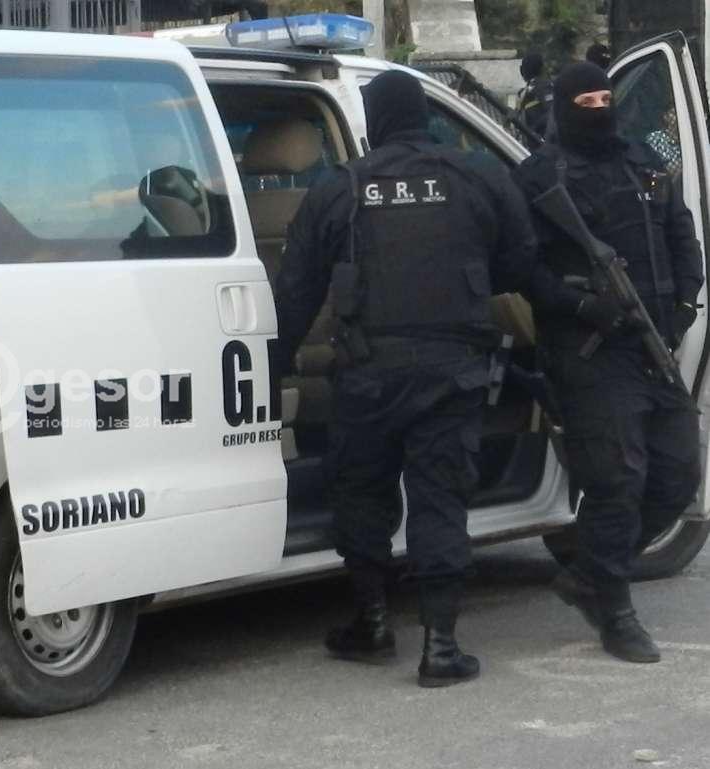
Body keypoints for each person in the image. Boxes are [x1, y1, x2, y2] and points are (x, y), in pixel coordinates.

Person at [271, 70, 540, 687]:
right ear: (424, 115)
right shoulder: (478, 175)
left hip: (367, 374)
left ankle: (371, 624)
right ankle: (441, 646)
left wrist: (271, 370)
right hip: (453, 371)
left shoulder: (340, 187)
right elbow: (521, 260)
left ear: (374, 121)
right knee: (439, 498)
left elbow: (297, 292)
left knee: (361, 492)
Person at [513, 62, 703, 663]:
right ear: (564, 109)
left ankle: (591, 573)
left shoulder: (645, 165)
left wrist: (683, 307)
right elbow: (521, 267)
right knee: (617, 482)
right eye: (586, 102)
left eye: (605, 98)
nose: (599, 110)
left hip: (653, 345)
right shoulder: (540, 177)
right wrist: (581, 305)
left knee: (679, 475)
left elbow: (683, 238)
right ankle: (615, 611)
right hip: (591, 353)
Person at [516, 52, 554, 140]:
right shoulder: (524, 91)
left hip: (539, 140)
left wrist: (534, 128)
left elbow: (551, 112)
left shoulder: (543, 87)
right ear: (542, 69)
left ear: (521, 70)